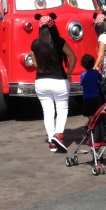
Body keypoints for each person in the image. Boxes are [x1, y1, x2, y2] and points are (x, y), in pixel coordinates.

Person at [30, 12, 77, 153]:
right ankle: (58, 134)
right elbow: (73, 58)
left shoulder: (35, 44)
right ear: (53, 26)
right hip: (59, 81)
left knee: (48, 111)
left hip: (41, 82)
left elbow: (34, 63)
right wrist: (68, 73)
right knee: (62, 109)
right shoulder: (60, 42)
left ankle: (51, 140)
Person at [80, 53, 102, 119]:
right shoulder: (96, 72)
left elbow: (81, 83)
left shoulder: (83, 75)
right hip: (96, 96)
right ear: (93, 63)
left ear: (83, 65)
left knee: (89, 113)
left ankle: (91, 125)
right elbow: (100, 79)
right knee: (97, 111)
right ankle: (97, 124)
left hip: (87, 97)